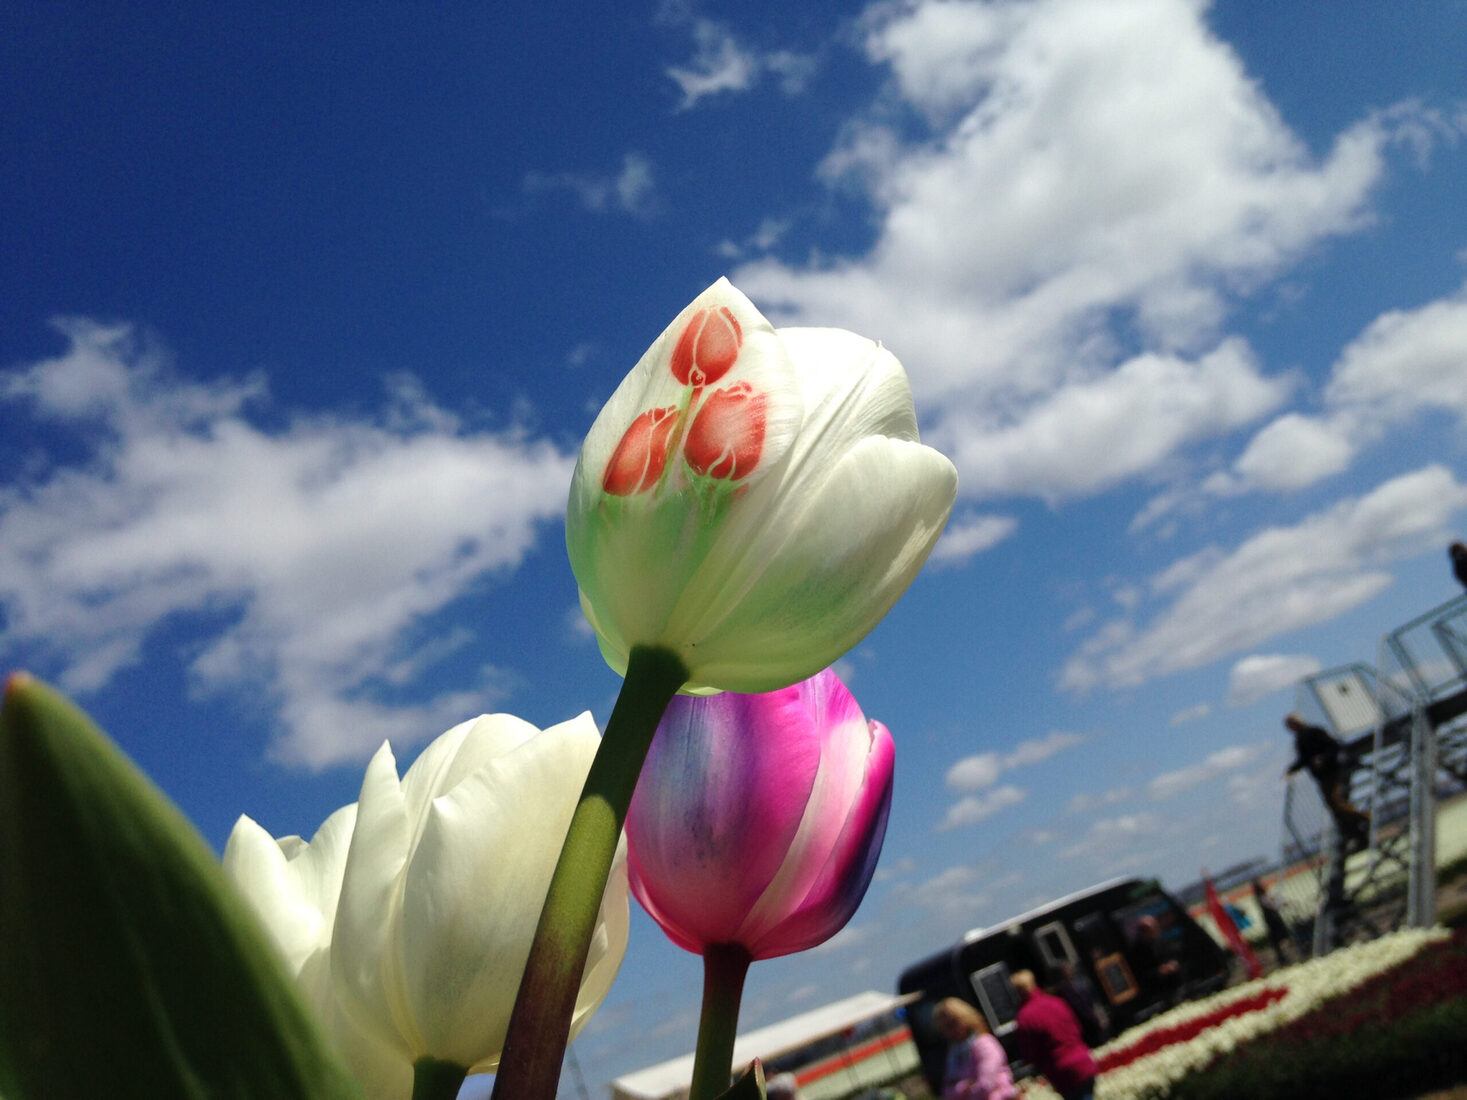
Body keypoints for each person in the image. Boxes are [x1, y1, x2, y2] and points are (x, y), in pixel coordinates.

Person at [1283, 713, 1370, 850]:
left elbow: (1334, 746)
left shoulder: (1315, 731)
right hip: (1321, 778)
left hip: (1333, 772)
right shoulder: (1300, 740)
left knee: (1336, 802)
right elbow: (1304, 759)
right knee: (1335, 809)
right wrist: (1291, 769)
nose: (1292, 727)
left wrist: (1323, 758)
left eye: (1292, 724)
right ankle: (1358, 834)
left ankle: (1365, 818)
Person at [1010, 971, 1098, 1100]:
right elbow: (1076, 1028)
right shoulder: (1056, 1002)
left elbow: (1030, 1054)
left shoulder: (1024, 1018)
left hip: (1064, 1074)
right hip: (1084, 1062)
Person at [932, 998, 1017, 1100]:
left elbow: (986, 1086)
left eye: (953, 1023)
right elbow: (946, 1092)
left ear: (965, 1018)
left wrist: (961, 1090)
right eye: (944, 1028)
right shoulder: (953, 1054)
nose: (950, 1031)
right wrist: (965, 1087)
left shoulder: (984, 1044)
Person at [1129, 915, 1182, 1006]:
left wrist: (1173, 963)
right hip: (1157, 992)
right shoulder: (1137, 951)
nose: (1156, 929)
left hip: (1176, 982)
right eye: (1152, 928)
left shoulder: (1160, 941)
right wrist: (1159, 971)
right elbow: (1139, 974)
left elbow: (1174, 954)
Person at [1251, 877, 1295, 965]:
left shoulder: (1260, 895)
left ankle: (1282, 956)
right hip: (1272, 918)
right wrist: (1281, 903)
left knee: (1278, 939)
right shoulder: (1261, 895)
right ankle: (1283, 957)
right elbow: (1269, 904)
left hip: (1270, 918)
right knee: (1280, 937)